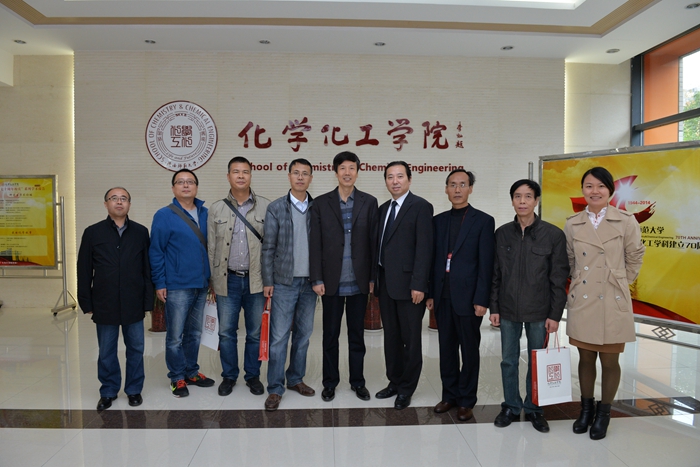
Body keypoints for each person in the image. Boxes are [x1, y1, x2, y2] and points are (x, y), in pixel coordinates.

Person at [564, 166, 645, 440]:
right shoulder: (573, 223)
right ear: (582, 190)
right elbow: (570, 260)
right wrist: (579, 281)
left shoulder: (626, 221)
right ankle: (586, 409)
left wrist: (620, 281)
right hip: (584, 298)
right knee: (585, 358)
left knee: (610, 360)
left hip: (613, 298)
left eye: (600, 186)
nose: (594, 191)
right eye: (589, 186)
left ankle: (604, 413)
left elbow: (635, 256)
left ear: (610, 190)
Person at [489, 179, 569, 432]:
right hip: (508, 309)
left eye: (528, 197)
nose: (522, 201)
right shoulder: (502, 234)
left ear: (536, 201)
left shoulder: (553, 235)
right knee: (508, 361)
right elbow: (495, 274)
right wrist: (494, 308)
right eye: (517, 196)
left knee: (537, 362)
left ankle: (534, 408)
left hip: (539, 311)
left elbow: (559, 279)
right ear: (512, 200)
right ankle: (511, 406)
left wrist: (555, 314)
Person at [309, 151, 379, 402]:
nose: (347, 173)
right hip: (331, 282)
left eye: (352, 168)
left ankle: (358, 382)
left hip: (359, 281)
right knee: (330, 335)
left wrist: (373, 278)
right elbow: (315, 243)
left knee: (357, 336)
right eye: (343, 168)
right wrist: (316, 278)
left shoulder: (369, 202)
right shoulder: (321, 203)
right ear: (335, 172)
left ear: (358, 172)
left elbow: (374, 243)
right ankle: (330, 382)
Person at [427, 169, 494, 421]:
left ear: (470, 189)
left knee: (469, 350)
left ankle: (466, 399)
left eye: (462, 184)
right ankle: (450, 395)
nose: (457, 189)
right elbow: (434, 260)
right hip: (442, 296)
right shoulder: (438, 221)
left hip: (469, 298)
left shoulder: (483, 221)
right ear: (446, 189)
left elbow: (486, 264)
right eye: (452, 185)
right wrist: (431, 293)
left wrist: (482, 299)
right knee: (446, 349)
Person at [77, 187, 153, 410]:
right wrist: (86, 301)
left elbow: (147, 269)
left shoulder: (140, 232)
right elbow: (84, 269)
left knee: (136, 348)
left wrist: (148, 301)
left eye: (124, 199)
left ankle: (134, 390)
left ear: (129, 204)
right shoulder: (92, 232)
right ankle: (108, 391)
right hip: (105, 301)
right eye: (114, 198)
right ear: (106, 204)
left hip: (133, 300)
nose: (119, 202)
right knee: (106, 350)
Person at [208, 156, 271, 397]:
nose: (241, 176)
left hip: (256, 281)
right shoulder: (216, 208)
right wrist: (213, 281)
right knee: (226, 332)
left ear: (251, 176)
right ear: (228, 176)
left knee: (254, 332)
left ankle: (252, 376)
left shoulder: (266, 207)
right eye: (236, 171)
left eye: (245, 171)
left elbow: (272, 247)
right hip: (228, 280)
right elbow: (211, 248)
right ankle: (229, 376)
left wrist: (270, 281)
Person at [150, 169, 215, 397]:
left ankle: (191, 372)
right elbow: (156, 251)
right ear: (173, 188)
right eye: (180, 182)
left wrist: (212, 279)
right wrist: (160, 283)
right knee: (175, 336)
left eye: (190, 182)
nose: (186, 185)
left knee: (194, 333)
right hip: (177, 285)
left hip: (201, 284)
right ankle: (177, 377)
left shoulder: (206, 213)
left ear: (196, 187)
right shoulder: (164, 215)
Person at [374, 161, 433, 410]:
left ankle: (407, 389)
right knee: (391, 338)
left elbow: (425, 248)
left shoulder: (420, 206)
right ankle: (394, 381)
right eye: (390, 177)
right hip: (386, 285)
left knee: (411, 340)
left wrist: (419, 284)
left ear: (409, 179)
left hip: (410, 287)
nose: (395, 181)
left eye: (399, 176)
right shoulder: (383, 209)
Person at [261, 158, 317, 411]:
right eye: (296, 173)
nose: (300, 177)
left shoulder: (317, 208)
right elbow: (268, 247)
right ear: (289, 176)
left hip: (310, 283)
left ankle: (295, 378)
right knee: (279, 337)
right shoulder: (276, 208)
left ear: (311, 178)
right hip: (284, 282)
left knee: (303, 335)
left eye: (305, 173)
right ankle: (275, 387)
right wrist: (268, 280)